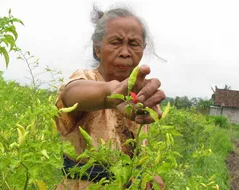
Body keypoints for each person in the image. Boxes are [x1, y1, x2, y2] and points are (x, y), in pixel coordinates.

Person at [55, 6, 166, 190]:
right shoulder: (85, 80)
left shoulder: (139, 96)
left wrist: (148, 174)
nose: (125, 52)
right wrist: (111, 93)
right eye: (116, 42)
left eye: (134, 44)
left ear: (142, 49)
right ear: (97, 49)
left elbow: (135, 155)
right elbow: (71, 94)